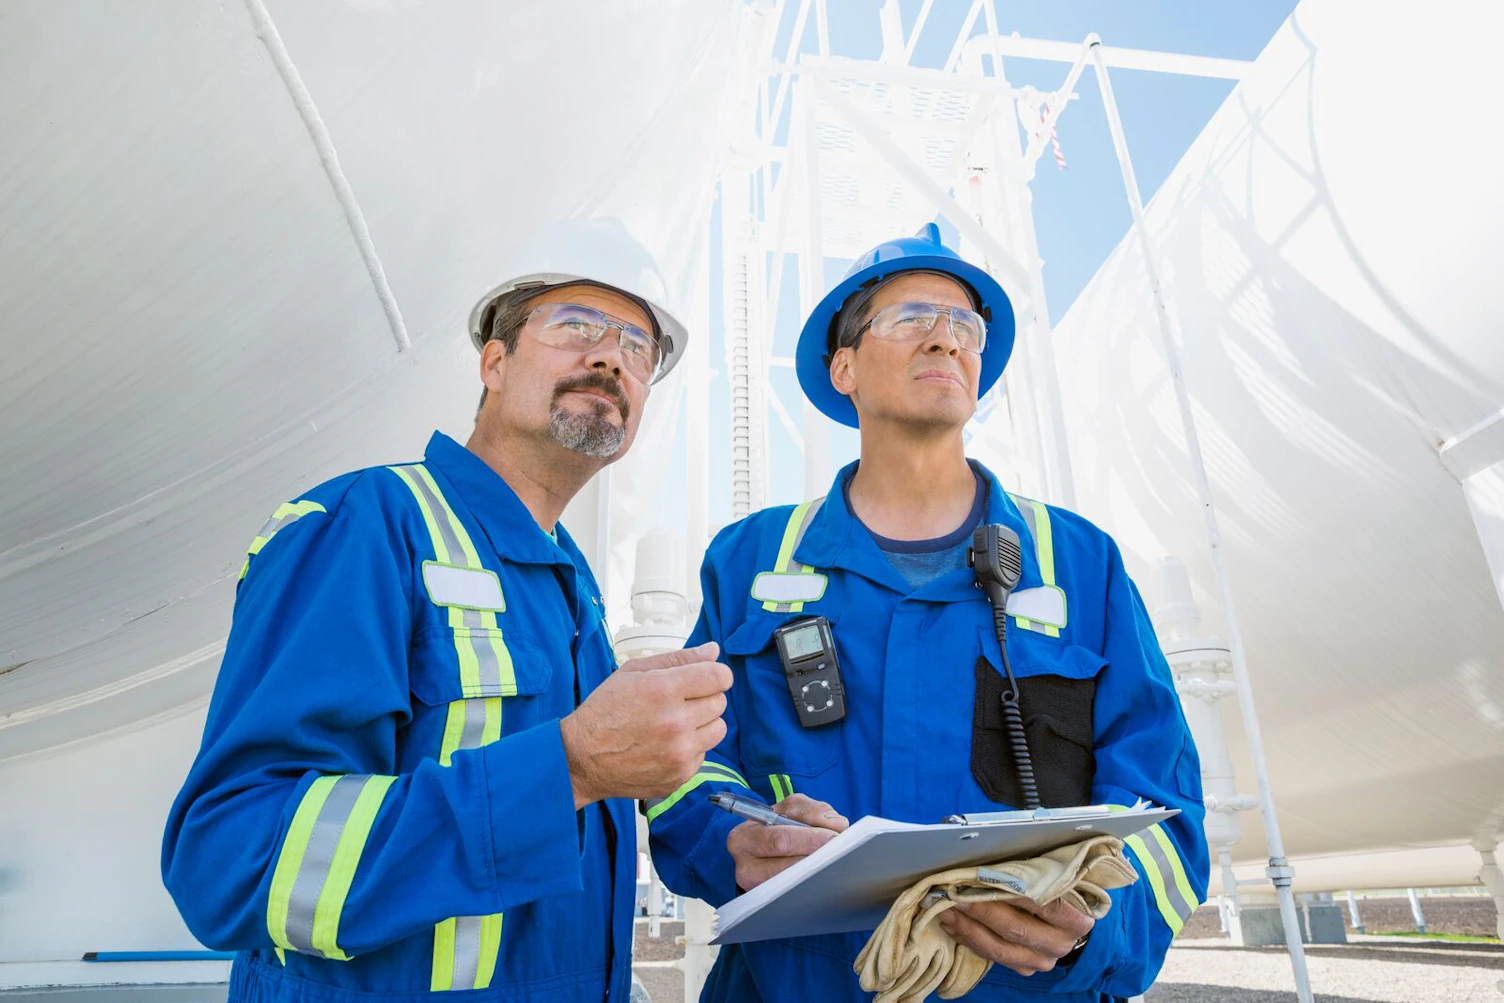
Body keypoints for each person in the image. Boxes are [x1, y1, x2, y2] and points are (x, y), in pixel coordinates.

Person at [162, 218, 733, 1001]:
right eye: (575, 327)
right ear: (493, 361)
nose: (610, 357)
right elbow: (231, 860)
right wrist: (568, 766)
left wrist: (747, 836)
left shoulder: (573, 593)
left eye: (638, 348)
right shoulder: (367, 526)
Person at [648, 223, 1209, 1000]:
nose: (946, 339)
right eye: (912, 316)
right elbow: (683, 765)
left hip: (1023, 987)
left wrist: (1096, 930)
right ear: (842, 367)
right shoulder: (751, 561)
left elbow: (1163, 802)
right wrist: (732, 840)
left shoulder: (1081, 563)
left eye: (965, 326)